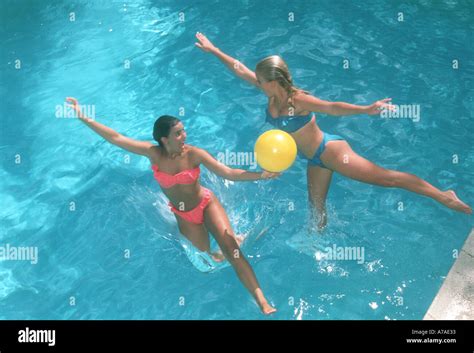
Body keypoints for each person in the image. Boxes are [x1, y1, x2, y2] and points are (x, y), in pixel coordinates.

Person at [195, 32, 472, 230]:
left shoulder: (296, 99)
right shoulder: (270, 95)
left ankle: (442, 194)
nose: (256, 81)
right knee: (316, 212)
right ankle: (319, 246)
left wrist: (365, 109)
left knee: (388, 179)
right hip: (314, 160)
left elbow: (332, 107)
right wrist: (213, 49)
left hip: (331, 153)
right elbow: (239, 69)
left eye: (261, 80)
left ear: (274, 81)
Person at [65, 97, 278, 315]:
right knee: (205, 265)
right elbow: (116, 137)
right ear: (164, 139)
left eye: (183, 131)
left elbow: (228, 173)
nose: (184, 136)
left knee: (233, 253)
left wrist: (261, 175)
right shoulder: (154, 153)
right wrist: (83, 116)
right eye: (178, 133)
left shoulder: (194, 154)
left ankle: (262, 301)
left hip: (206, 204)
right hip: (185, 215)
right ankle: (224, 249)